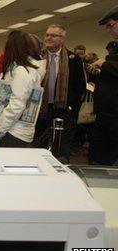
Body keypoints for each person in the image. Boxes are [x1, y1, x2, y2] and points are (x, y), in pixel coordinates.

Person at [34, 24, 86, 162]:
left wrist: (72, 107)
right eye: (47, 35)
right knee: (40, 144)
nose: (49, 38)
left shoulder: (73, 59)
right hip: (41, 108)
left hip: (64, 108)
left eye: (53, 35)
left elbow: (80, 86)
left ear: (62, 39)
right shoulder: (38, 57)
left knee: (62, 148)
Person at [0, 32, 46, 147]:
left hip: (13, 132)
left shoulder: (22, 71)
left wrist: (0, 128)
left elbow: (17, 104)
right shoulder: (23, 69)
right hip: (14, 130)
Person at [89, 8, 118, 165]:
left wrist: (104, 64)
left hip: (115, 116)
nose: (108, 29)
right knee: (100, 157)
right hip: (106, 113)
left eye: (111, 25)